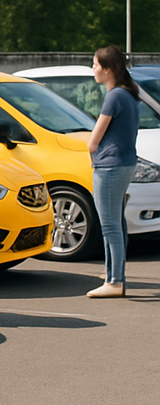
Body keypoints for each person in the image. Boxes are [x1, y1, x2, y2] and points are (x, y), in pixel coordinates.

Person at [85, 45, 139, 299]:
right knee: (117, 222)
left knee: (109, 225)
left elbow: (93, 140)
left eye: (95, 65)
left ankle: (115, 281)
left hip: (110, 165)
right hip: (125, 163)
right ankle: (113, 274)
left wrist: (92, 151)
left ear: (107, 69)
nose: (93, 69)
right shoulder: (128, 94)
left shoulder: (114, 96)